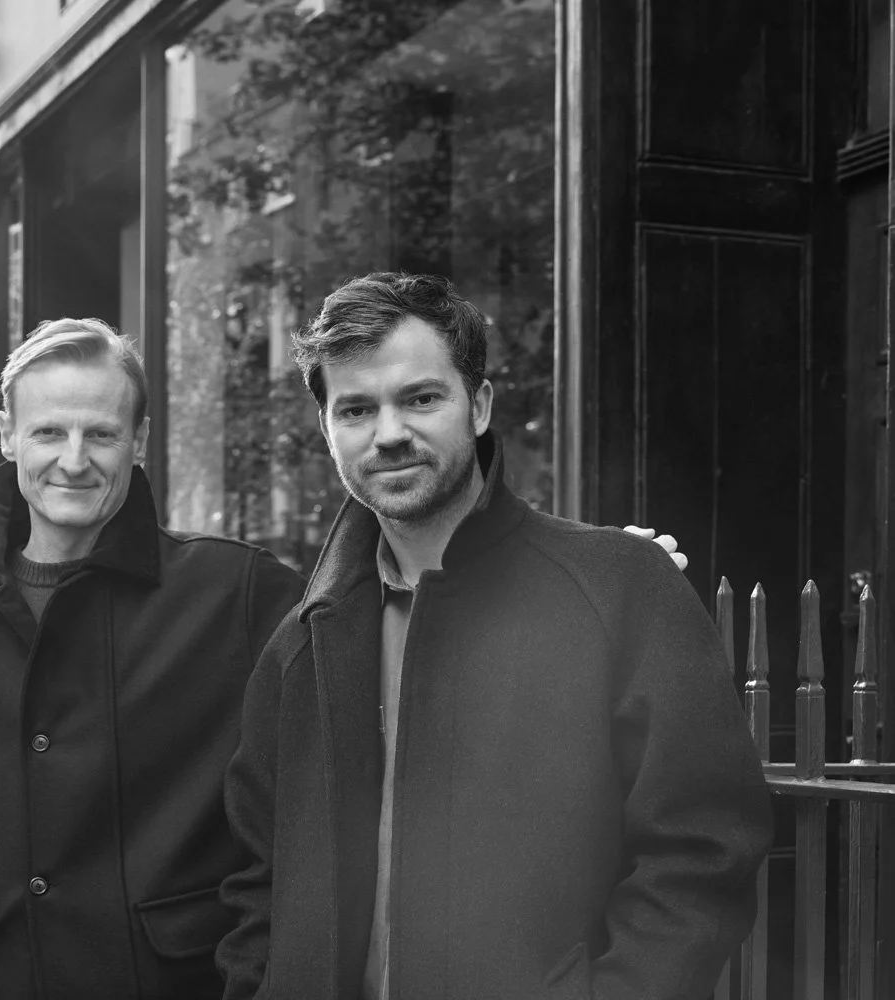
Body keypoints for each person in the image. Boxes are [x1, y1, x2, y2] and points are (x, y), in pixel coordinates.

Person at [0, 317, 690, 1000]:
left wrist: (574, 571)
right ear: (9, 436)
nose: (74, 459)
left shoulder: (234, 588)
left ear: (138, 440)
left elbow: (405, 614)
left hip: (172, 985)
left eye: (101, 432)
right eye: (49, 431)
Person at [216, 272, 773, 1000]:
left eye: (421, 398)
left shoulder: (621, 587)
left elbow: (702, 850)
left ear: (478, 406)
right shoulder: (300, 646)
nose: (389, 433)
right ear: (327, 430)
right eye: (356, 409)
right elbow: (257, 881)